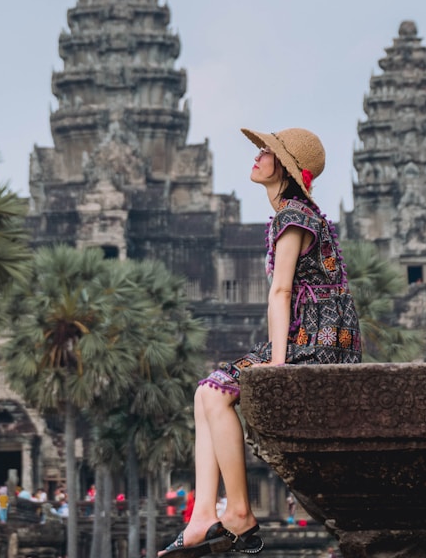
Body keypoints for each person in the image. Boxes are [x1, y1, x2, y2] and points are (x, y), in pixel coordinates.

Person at [159, 127, 361, 558]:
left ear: (286, 171)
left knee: (215, 394)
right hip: (310, 331)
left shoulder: (294, 216)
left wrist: (278, 363)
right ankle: (201, 517)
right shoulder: (296, 213)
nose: (258, 156)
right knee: (205, 392)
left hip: (319, 339)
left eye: (268, 152)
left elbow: (281, 292)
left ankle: (240, 512)